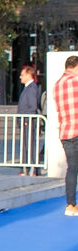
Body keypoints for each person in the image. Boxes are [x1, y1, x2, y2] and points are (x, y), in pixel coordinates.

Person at [52, 55, 78, 216]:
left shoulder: (57, 85)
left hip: (66, 131)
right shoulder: (76, 82)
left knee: (72, 168)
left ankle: (71, 204)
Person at [17, 64, 42, 175]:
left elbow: (32, 106)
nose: (20, 77)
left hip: (28, 121)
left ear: (28, 75)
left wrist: (27, 119)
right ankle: (28, 167)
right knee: (26, 145)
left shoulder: (31, 88)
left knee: (30, 145)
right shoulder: (28, 88)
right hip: (25, 121)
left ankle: (32, 168)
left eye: (22, 75)